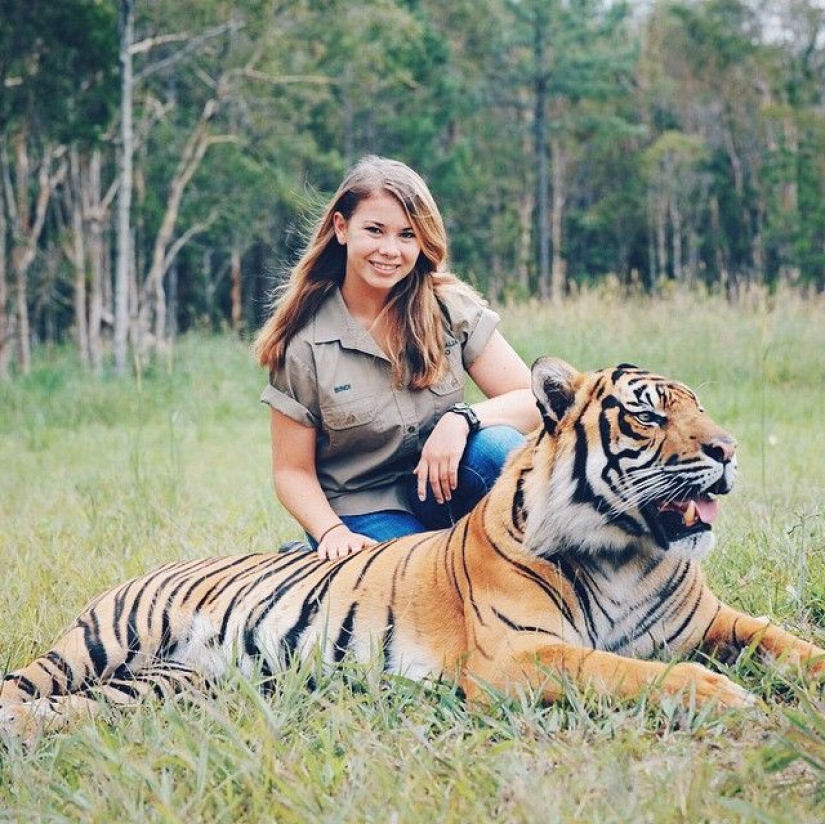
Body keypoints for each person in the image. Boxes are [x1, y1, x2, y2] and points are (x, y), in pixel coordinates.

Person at [254, 156, 541, 561]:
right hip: (362, 508)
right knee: (421, 577)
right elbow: (292, 471)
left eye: (407, 235)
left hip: (439, 485)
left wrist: (461, 421)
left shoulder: (446, 306)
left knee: (500, 449)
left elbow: (532, 399)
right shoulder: (303, 344)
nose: (390, 250)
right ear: (341, 228)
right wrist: (331, 531)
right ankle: (311, 560)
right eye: (374, 230)